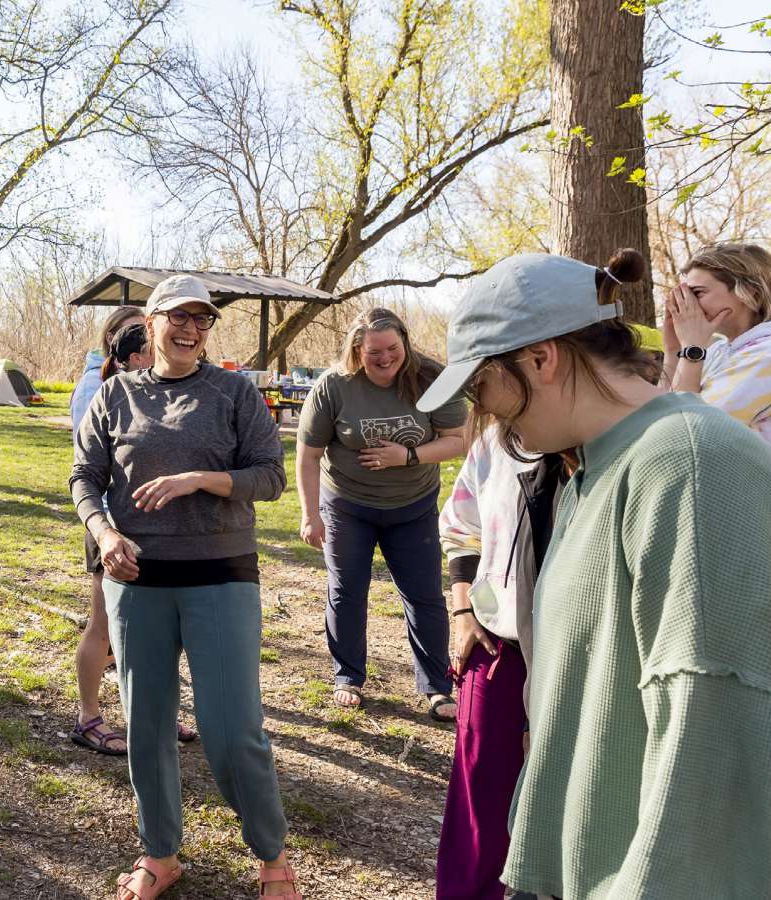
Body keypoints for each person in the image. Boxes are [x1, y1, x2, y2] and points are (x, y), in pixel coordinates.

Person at [420, 248, 771, 898]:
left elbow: (712, 760)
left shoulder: (693, 468)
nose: (484, 411)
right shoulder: (595, 474)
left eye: (480, 385)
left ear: (540, 359)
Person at [72, 274, 300, 899]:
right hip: (136, 582)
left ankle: (273, 859)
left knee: (232, 730)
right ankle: (159, 854)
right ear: (151, 324)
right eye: (179, 317)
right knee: (146, 726)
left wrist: (200, 477)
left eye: (202, 320)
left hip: (221, 578)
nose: (191, 329)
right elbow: (84, 478)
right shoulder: (114, 394)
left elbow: (271, 477)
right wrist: (105, 534)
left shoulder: (233, 392)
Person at [295, 308, 467, 719]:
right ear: (358, 350)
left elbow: (458, 439)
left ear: (405, 342)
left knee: (424, 594)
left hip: (413, 505)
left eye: (393, 348)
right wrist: (309, 513)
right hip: (347, 505)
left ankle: (437, 687)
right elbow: (307, 453)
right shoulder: (334, 386)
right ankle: (348, 676)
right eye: (374, 352)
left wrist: (406, 455)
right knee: (347, 590)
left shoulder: (432, 378)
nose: (386, 358)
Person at [434, 428, 565, 900]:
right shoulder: (493, 440)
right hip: (496, 645)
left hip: (578, 653)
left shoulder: (607, 440)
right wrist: (464, 611)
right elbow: (460, 528)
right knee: (483, 797)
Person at [69, 321, 197, 754]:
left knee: (158, 632)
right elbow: (86, 470)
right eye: (149, 352)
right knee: (103, 627)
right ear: (136, 357)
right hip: (108, 527)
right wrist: (105, 530)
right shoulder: (105, 392)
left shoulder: (162, 393)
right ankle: (88, 717)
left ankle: (155, 714)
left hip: (155, 529)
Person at [663, 241, 771, 462]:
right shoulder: (720, 349)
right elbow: (659, 416)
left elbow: (686, 434)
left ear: (750, 293)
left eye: (697, 293)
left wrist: (691, 350)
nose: (687, 304)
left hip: (740, 493)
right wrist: (673, 349)